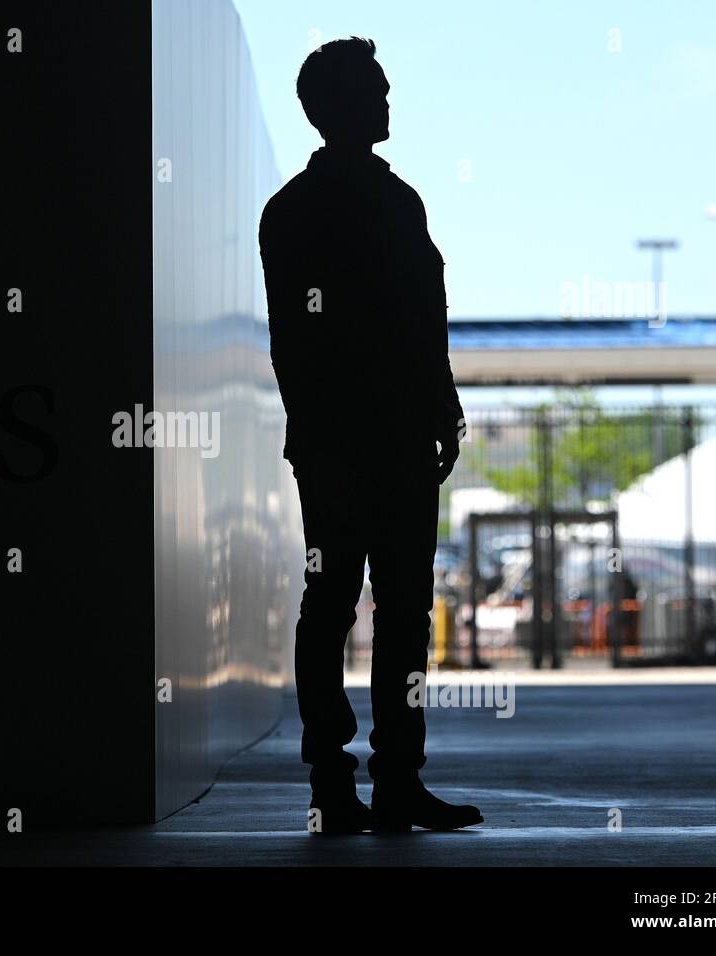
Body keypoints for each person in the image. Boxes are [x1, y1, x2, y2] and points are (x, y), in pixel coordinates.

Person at [258, 36, 483, 834]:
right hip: (368, 443)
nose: (389, 101)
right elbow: (408, 325)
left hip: (351, 444)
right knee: (386, 612)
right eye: (377, 90)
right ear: (340, 104)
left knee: (345, 607)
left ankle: (348, 785)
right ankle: (381, 783)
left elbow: (409, 325)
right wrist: (434, 407)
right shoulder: (383, 206)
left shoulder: (301, 210)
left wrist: (437, 404)